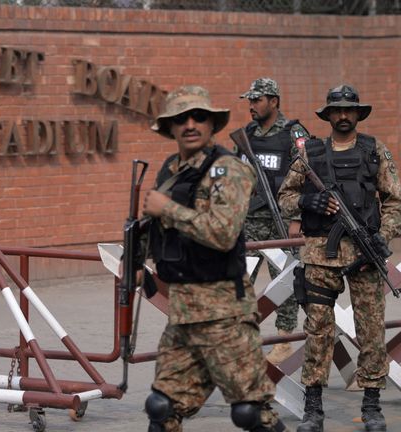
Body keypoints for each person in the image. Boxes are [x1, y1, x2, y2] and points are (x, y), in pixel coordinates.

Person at [141, 85, 286, 432]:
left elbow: (223, 234)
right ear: (171, 127)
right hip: (183, 312)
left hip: (225, 316)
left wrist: (169, 209)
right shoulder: (171, 169)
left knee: (251, 413)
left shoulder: (228, 170)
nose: (190, 124)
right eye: (181, 118)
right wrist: (137, 259)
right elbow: (156, 225)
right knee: (162, 408)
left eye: (199, 116)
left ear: (211, 124)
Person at [278, 84, 401, 432]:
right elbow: (285, 196)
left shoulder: (374, 150)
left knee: (372, 331)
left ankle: (372, 405)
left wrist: (381, 236)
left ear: (358, 114)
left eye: (350, 110)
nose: (343, 116)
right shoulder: (310, 155)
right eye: (337, 110)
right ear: (328, 115)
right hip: (320, 254)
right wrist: (307, 202)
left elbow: (394, 200)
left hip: (365, 256)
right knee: (317, 330)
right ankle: (313, 408)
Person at [238, 78, 309, 364]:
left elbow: (309, 177)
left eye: (257, 100)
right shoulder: (246, 134)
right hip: (249, 220)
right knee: (240, 281)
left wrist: (296, 218)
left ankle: (283, 339)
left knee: (286, 280)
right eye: (250, 100)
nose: (251, 105)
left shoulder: (293, 133)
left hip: (281, 219)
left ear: (274, 101)